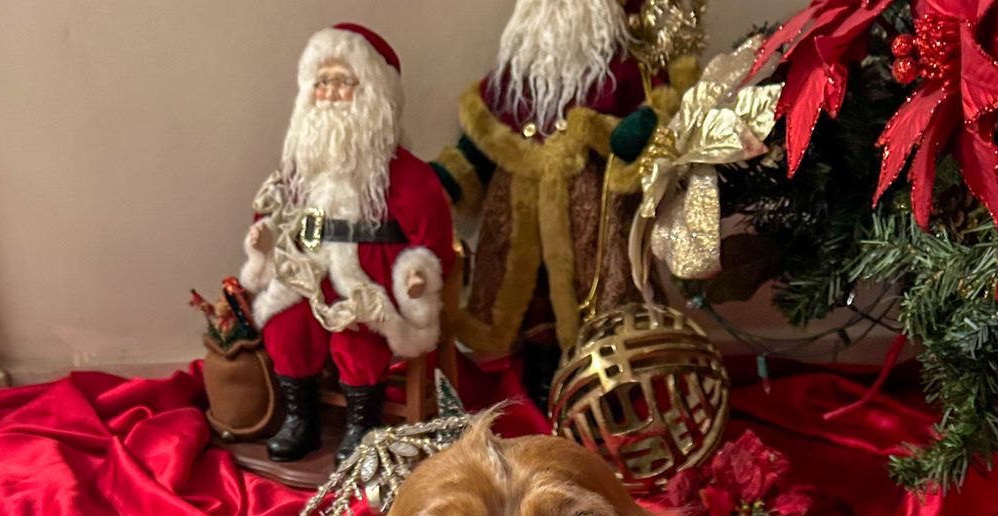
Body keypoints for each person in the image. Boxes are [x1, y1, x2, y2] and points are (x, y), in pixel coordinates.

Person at [432, 0, 698, 392]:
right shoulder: (511, 82)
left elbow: (653, 123)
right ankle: (541, 371)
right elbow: (479, 145)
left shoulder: (622, 74)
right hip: (520, 213)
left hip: (590, 213)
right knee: (531, 296)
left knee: (598, 292)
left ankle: (599, 377)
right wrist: (444, 180)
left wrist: (638, 133)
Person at [240, 24, 455, 463]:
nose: (331, 93)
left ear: (373, 92)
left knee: (357, 328)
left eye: (343, 81)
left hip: (372, 279)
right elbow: (277, 215)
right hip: (311, 273)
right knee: (286, 322)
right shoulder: (300, 171)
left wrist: (417, 274)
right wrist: (265, 241)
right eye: (322, 82)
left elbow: (432, 235)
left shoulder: (406, 173)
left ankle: (363, 425)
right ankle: (300, 418)